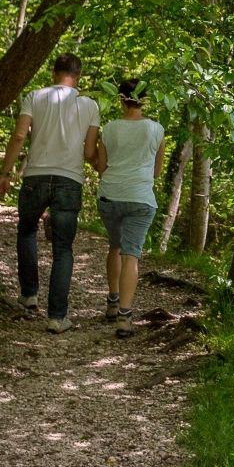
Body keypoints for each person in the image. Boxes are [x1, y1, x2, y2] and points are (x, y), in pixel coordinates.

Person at [0, 52, 101, 333]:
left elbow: (19, 136)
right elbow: (90, 151)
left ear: (54, 72)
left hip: (35, 177)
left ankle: (29, 294)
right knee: (63, 248)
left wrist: (5, 174)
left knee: (27, 231)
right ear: (78, 76)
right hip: (69, 180)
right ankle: (57, 316)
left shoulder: (35, 96)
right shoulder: (89, 105)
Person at [93, 77, 166, 338]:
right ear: (145, 100)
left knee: (115, 246)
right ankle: (124, 318)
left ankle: (113, 302)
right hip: (140, 199)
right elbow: (156, 172)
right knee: (130, 255)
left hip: (110, 196)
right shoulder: (157, 130)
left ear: (121, 99)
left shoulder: (109, 129)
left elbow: (102, 168)